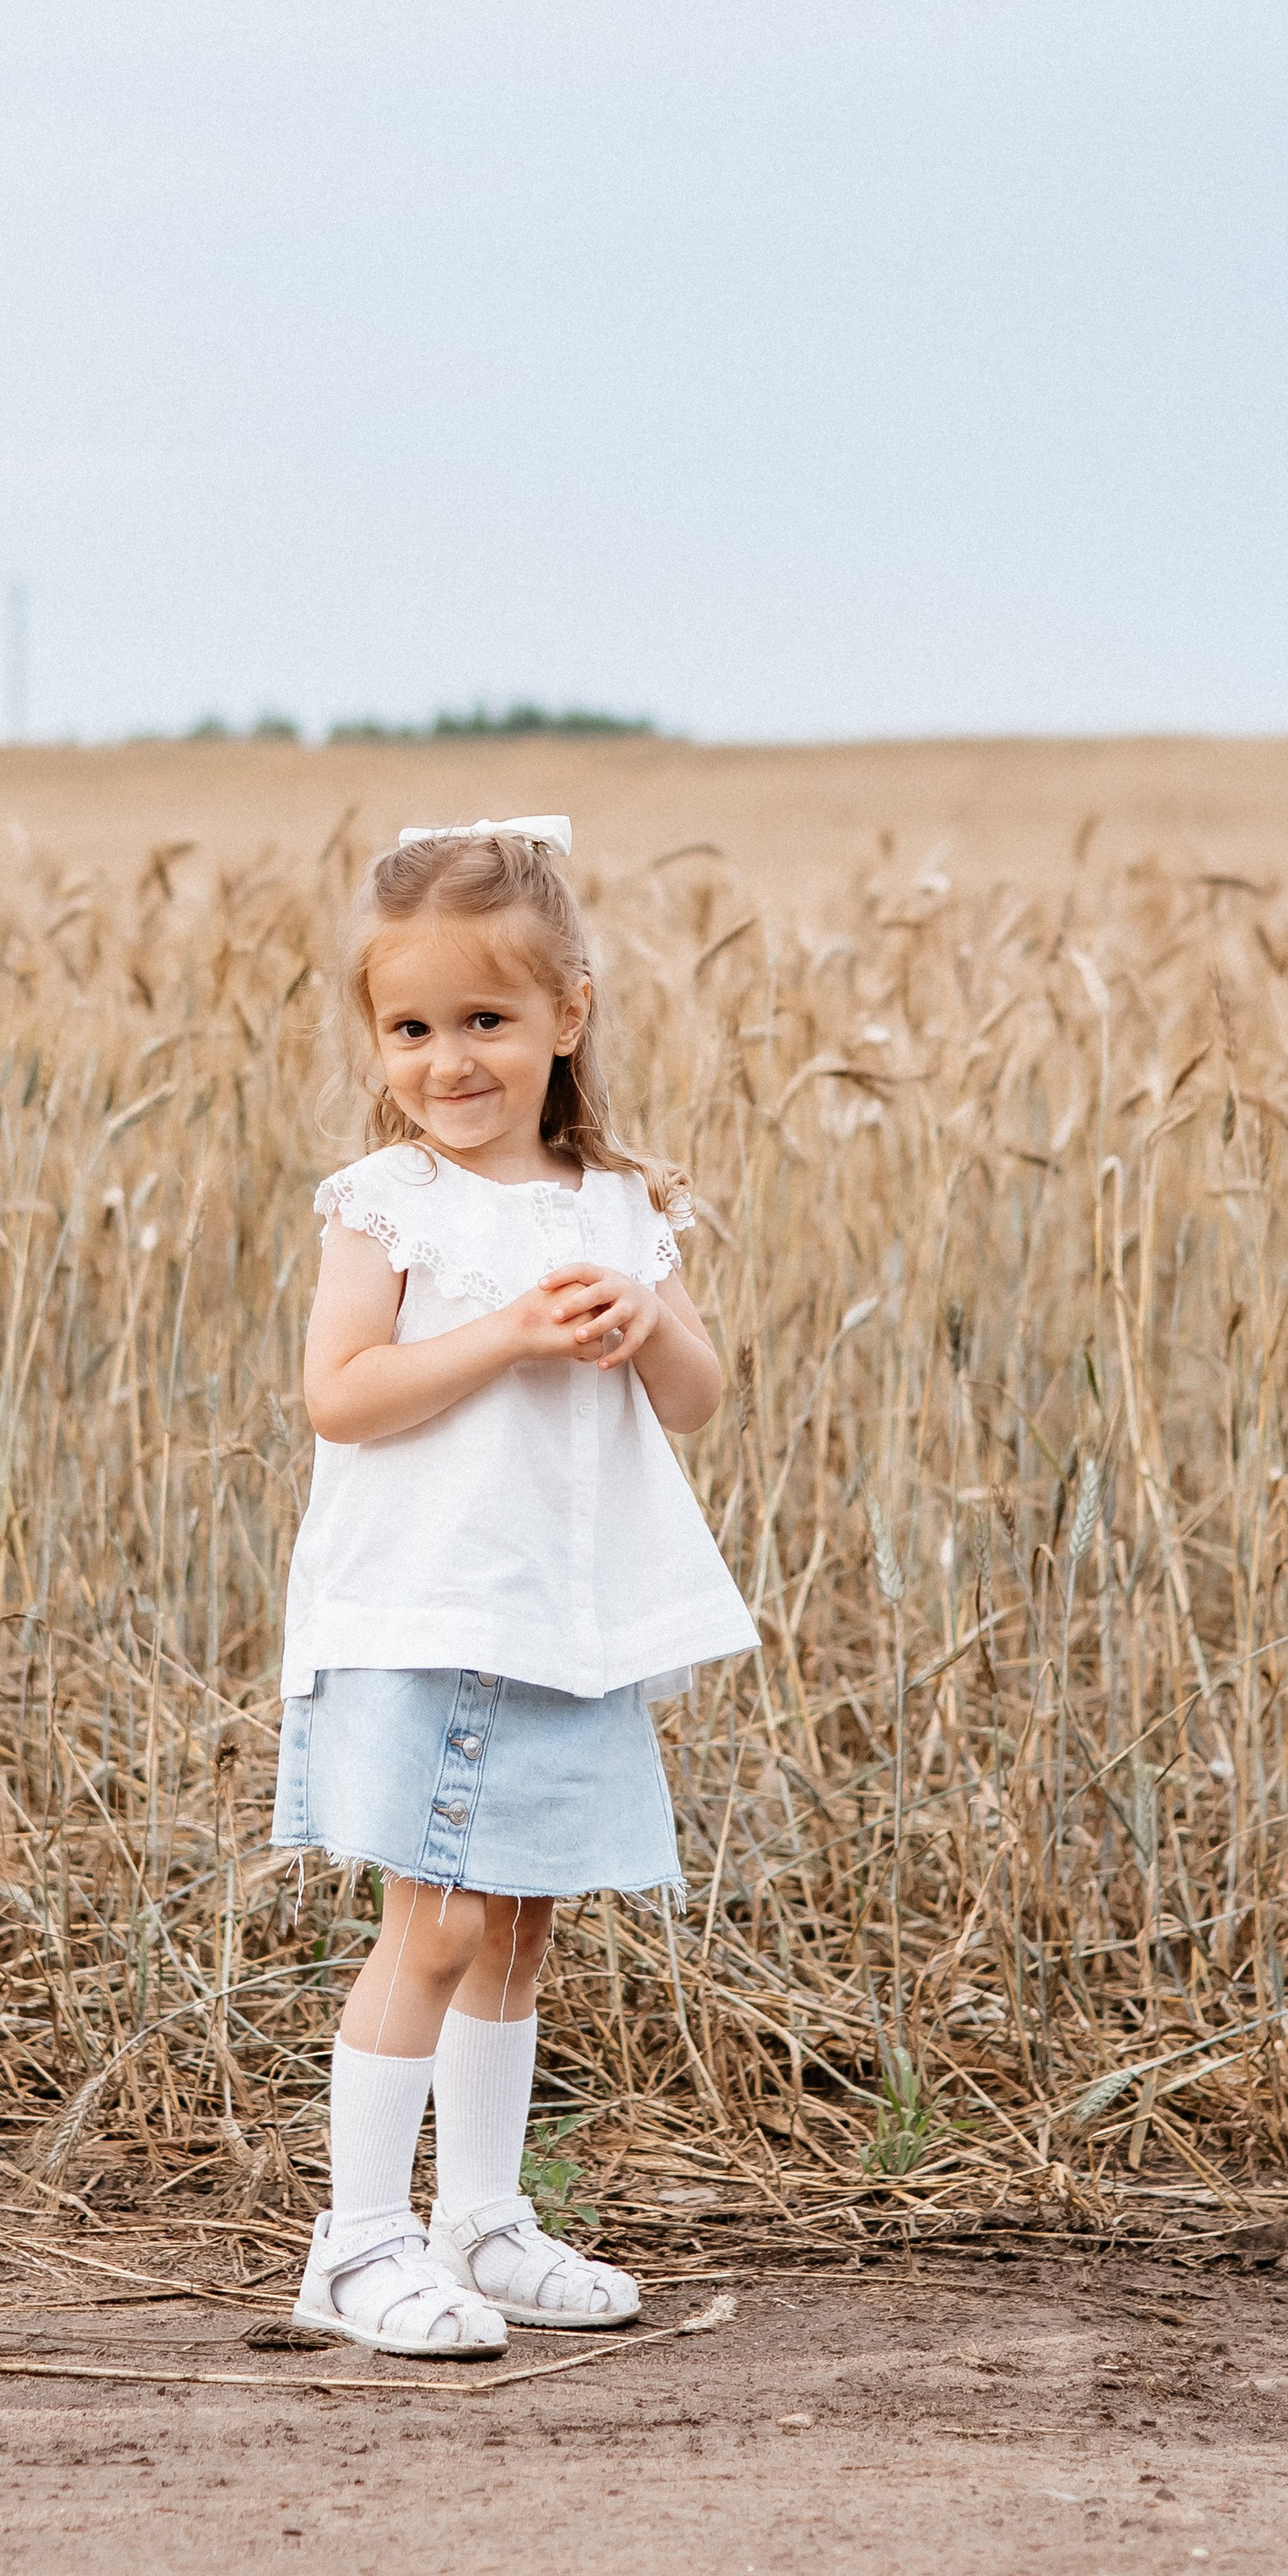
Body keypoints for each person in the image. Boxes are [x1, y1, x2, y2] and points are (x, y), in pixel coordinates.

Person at [274, 815, 756, 2355]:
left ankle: (480, 2220)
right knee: (431, 1923)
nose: (446, 1059)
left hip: (564, 1614)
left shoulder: (616, 1202)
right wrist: (506, 1336)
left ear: (569, 1017)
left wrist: (641, 1320)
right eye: (409, 1026)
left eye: (485, 1020)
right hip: (426, 1608)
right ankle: (356, 2244)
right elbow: (341, 1395)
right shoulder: (388, 1201)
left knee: (520, 1919)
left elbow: (695, 1396)